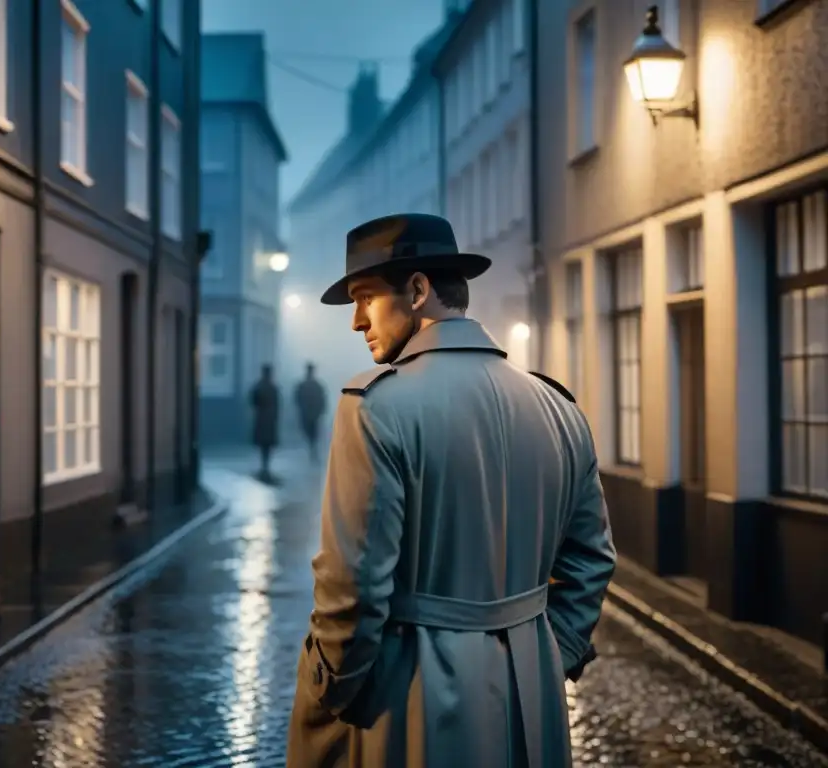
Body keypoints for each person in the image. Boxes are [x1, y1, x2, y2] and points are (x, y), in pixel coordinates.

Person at [286, 213, 616, 768]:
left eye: (365, 298)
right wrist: (544, 659)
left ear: (418, 291)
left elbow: (354, 588)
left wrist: (328, 693)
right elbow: (591, 562)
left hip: (411, 701)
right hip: (530, 705)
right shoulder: (558, 407)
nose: (356, 322)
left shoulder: (376, 407)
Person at [249, 364, 280, 481]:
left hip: (261, 419)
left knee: (263, 445)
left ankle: (264, 467)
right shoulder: (273, 387)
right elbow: (277, 405)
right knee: (267, 445)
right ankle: (265, 467)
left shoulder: (258, 386)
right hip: (270, 420)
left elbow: (252, 401)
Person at [294, 363, 328, 463]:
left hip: (311, 414)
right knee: (310, 434)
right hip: (310, 414)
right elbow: (298, 399)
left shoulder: (309, 385)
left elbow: (322, 400)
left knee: (312, 434)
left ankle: (312, 451)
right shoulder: (313, 385)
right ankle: (312, 451)